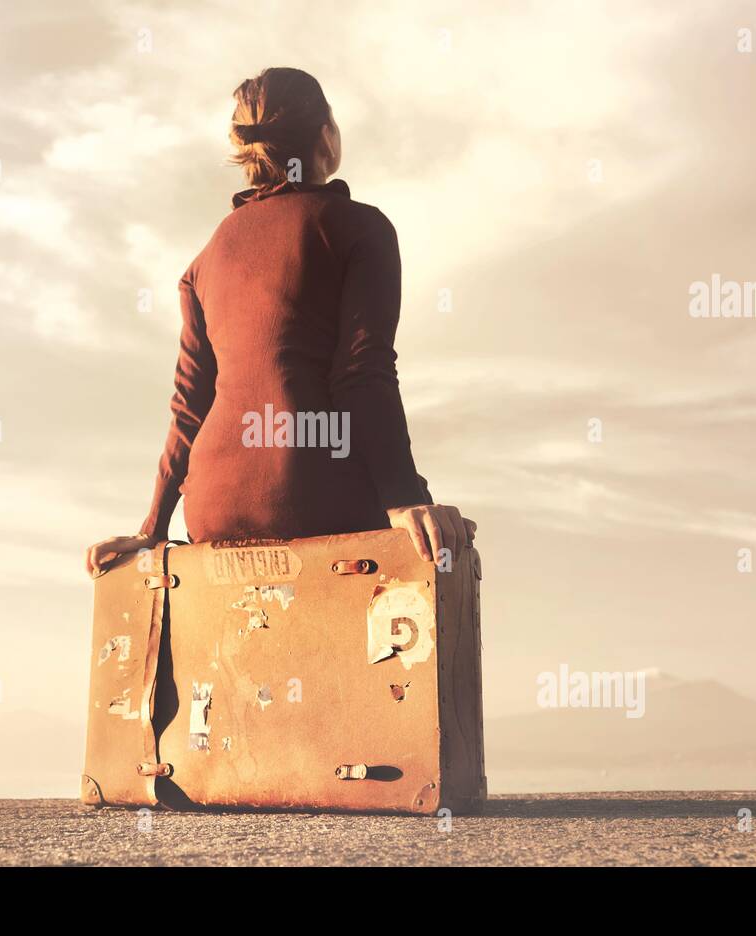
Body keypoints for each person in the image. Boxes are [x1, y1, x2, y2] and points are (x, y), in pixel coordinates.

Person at [87, 67, 474, 578]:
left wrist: (153, 528)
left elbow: (189, 405)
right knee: (445, 546)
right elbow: (362, 373)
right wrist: (403, 498)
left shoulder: (204, 261)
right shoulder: (361, 229)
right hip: (315, 492)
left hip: (212, 508)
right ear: (326, 136)